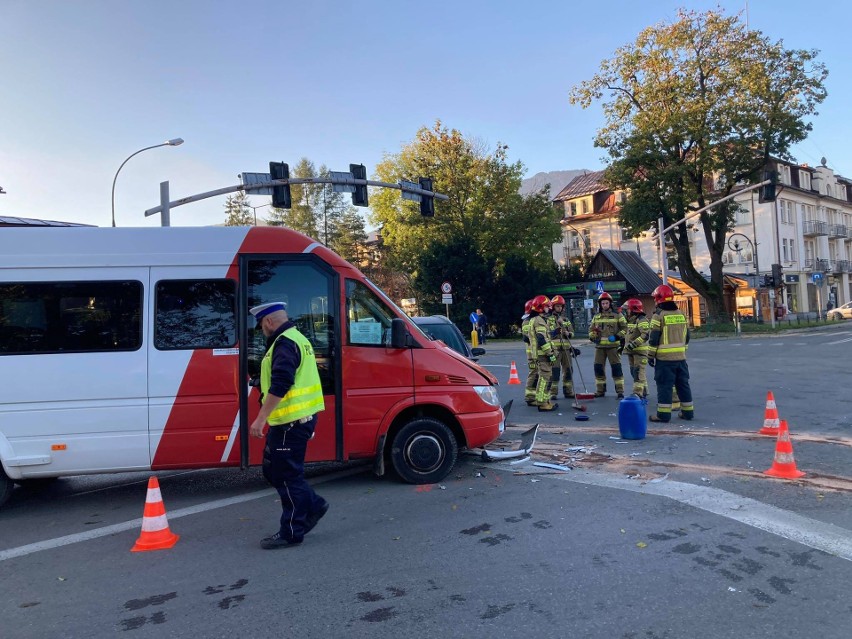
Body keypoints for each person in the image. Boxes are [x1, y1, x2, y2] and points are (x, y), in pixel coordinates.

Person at [249, 301, 329, 549]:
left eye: (262, 325)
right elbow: (286, 376)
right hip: (293, 421)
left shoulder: (285, 343)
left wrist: (260, 418)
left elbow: (282, 383)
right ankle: (314, 505)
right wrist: (257, 380)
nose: (262, 331)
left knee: (286, 476)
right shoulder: (297, 339)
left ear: (270, 322)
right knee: (275, 471)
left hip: (290, 424)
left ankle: (292, 531)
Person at [647, 285, 694, 423]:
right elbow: (687, 337)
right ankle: (688, 412)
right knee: (683, 385)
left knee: (665, 386)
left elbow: (653, 339)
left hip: (664, 360)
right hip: (680, 358)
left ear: (658, 299)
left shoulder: (658, 316)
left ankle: (663, 415)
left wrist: (650, 356)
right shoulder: (681, 314)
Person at [588, 292, 628, 398]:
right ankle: (600, 390)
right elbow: (591, 330)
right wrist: (592, 335)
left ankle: (620, 391)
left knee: (616, 368)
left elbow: (625, 328)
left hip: (613, 347)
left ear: (610, 303)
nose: (604, 305)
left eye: (606, 303)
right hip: (599, 347)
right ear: (600, 304)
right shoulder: (596, 316)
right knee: (598, 368)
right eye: (603, 303)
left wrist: (617, 336)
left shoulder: (618, 315)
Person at [528, 295, 559, 411]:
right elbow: (541, 339)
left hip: (541, 355)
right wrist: (550, 354)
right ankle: (542, 403)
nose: (548, 308)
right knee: (544, 379)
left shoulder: (536, 320)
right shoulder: (539, 321)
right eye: (546, 306)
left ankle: (545, 400)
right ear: (540, 307)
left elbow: (545, 337)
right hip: (543, 355)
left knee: (546, 378)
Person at [547, 295, 578, 399]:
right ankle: (553, 393)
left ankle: (568, 391)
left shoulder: (566, 319)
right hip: (554, 350)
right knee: (554, 372)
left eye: (561, 306)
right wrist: (555, 330)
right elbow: (547, 334)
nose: (559, 308)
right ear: (553, 307)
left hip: (566, 350)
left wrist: (568, 333)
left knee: (568, 370)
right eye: (557, 306)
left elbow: (572, 333)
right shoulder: (548, 319)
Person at [622, 298, 650, 398]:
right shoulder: (630, 320)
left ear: (633, 309)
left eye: (627, 309)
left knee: (638, 372)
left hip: (640, 352)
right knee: (634, 372)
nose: (625, 312)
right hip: (631, 352)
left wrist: (633, 344)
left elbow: (645, 335)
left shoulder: (641, 320)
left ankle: (637, 393)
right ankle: (644, 391)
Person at [520, 299, 538, 406]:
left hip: (534, 353)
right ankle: (530, 397)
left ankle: (533, 395)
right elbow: (528, 337)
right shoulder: (527, 322)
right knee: (533, 373)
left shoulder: (533, 320)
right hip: (532, 354)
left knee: (536, 374)